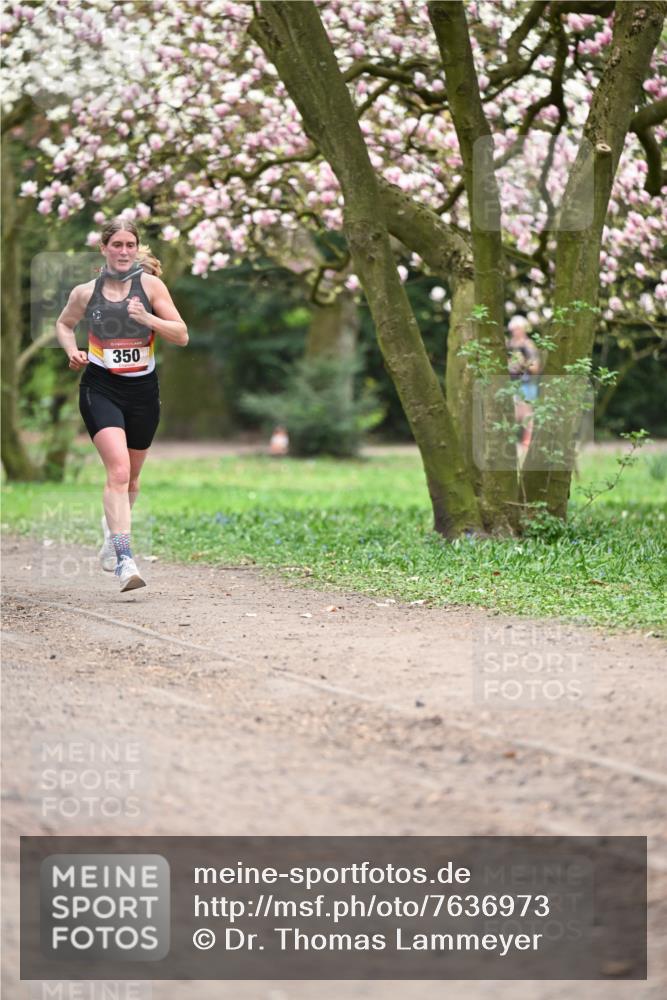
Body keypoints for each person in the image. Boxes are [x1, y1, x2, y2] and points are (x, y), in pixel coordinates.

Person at [56, 217, 188, 592]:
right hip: (100, 387)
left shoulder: (151, 287)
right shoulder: (85, 292)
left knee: (131, 477)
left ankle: (110, 535)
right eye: (117, 245)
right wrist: (72, 351)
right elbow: (64, 325)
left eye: (131, 245)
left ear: (136, 249)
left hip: (143, 391)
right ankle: (125, 558)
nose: (124, 251)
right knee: (117, 471)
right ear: (104, 249)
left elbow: (181, 334)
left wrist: (147, 318)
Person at [506, 314, 541, 455]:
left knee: (526, 414)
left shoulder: (528, 346)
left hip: (527, 383)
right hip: (510, 383)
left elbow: (535, 367)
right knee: (513, 414)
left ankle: (527, 443)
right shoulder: (508, 345)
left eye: (518, 328)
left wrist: (522, 363)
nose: (516, 332)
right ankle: (512, 443)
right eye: (513, 329)